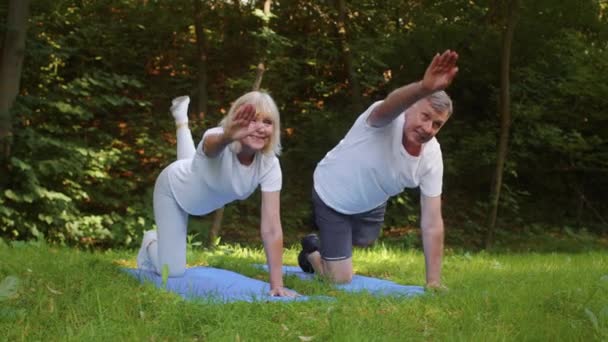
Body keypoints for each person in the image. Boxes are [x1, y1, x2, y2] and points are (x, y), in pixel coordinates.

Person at [298, 50, 459, 288]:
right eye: (425, 116)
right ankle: (311, 251)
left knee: (365, 240)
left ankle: (327, 246)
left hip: (370, 201)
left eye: (437, 124)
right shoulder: (383, 120)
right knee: (339, 279)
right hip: (333, 193)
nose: (428, 128)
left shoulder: (432, 156)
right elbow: (391, 103)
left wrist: (433, 281)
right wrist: (423, 88)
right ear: (409, 108)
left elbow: (432, 221)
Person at [137, 91, 296, 297]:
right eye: (252, 120)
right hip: (173, 191)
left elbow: (272, 228)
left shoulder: (269, 164)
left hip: (198, 181)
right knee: (174, 271)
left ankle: (181, 119)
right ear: (235, 121)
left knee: (193, 165)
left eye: (267, 122)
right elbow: (211, 146)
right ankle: (150, 240)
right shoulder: (218, 138)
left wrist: (277, 284)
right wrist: (228, 136)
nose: (260, 128)